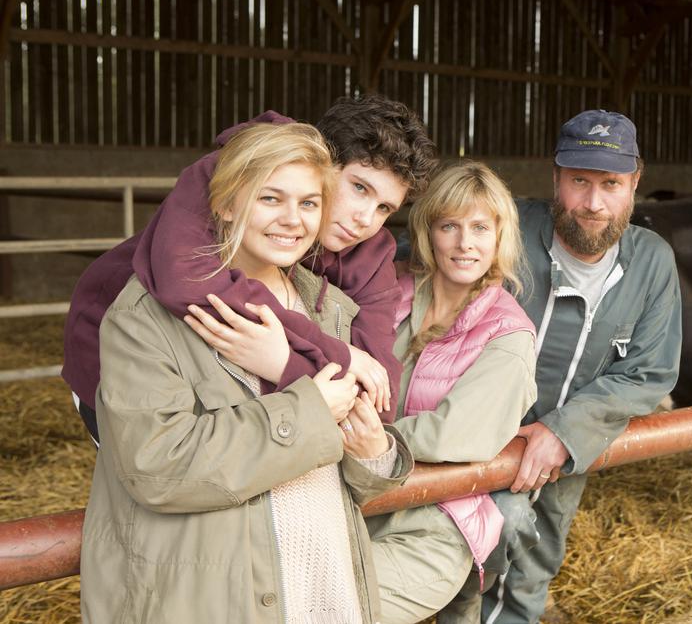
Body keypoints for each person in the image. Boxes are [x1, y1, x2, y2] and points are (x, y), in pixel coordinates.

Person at [80, 122, 413, 623]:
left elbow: (346, 455)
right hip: (222, 599)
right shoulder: (144, 318)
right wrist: (309, 413)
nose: (292, 220)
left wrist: (376, 457)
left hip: (327, 589)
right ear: (228, 203)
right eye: (270, 198)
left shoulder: (331, 309)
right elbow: (157, 467)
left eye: (307, 203)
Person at [63, 95, 437, 443]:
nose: (365, 220)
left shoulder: (370, 252)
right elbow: (186, 283)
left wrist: (286, 365)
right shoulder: (242, 172)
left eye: (385, 208)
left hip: (229, 382)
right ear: (321, 159)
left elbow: (380, 388)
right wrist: (338, 355)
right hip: (120, 352)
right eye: (359, 188)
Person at [481, 110, 683, 623]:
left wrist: (564, 430)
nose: (593, 204)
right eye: (579, 182)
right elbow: (408, 268)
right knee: (448, 568)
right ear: (555, 178)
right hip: (469, 443)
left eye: (611, 184)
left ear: (635, 183)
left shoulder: (652, 261)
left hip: (561, 457)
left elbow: (650, 372)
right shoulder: (501, 227)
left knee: (529, 570)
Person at [367, 161, 537, 624]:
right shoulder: (387, 292)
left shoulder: (508, 333)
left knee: (327, 602)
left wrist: (351, 437)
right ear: (428, 231)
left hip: (436, 520)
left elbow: (452, 435)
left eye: (481, 227)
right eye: (450, 226)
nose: (466, 243)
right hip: (355, 502)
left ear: (500, 235)